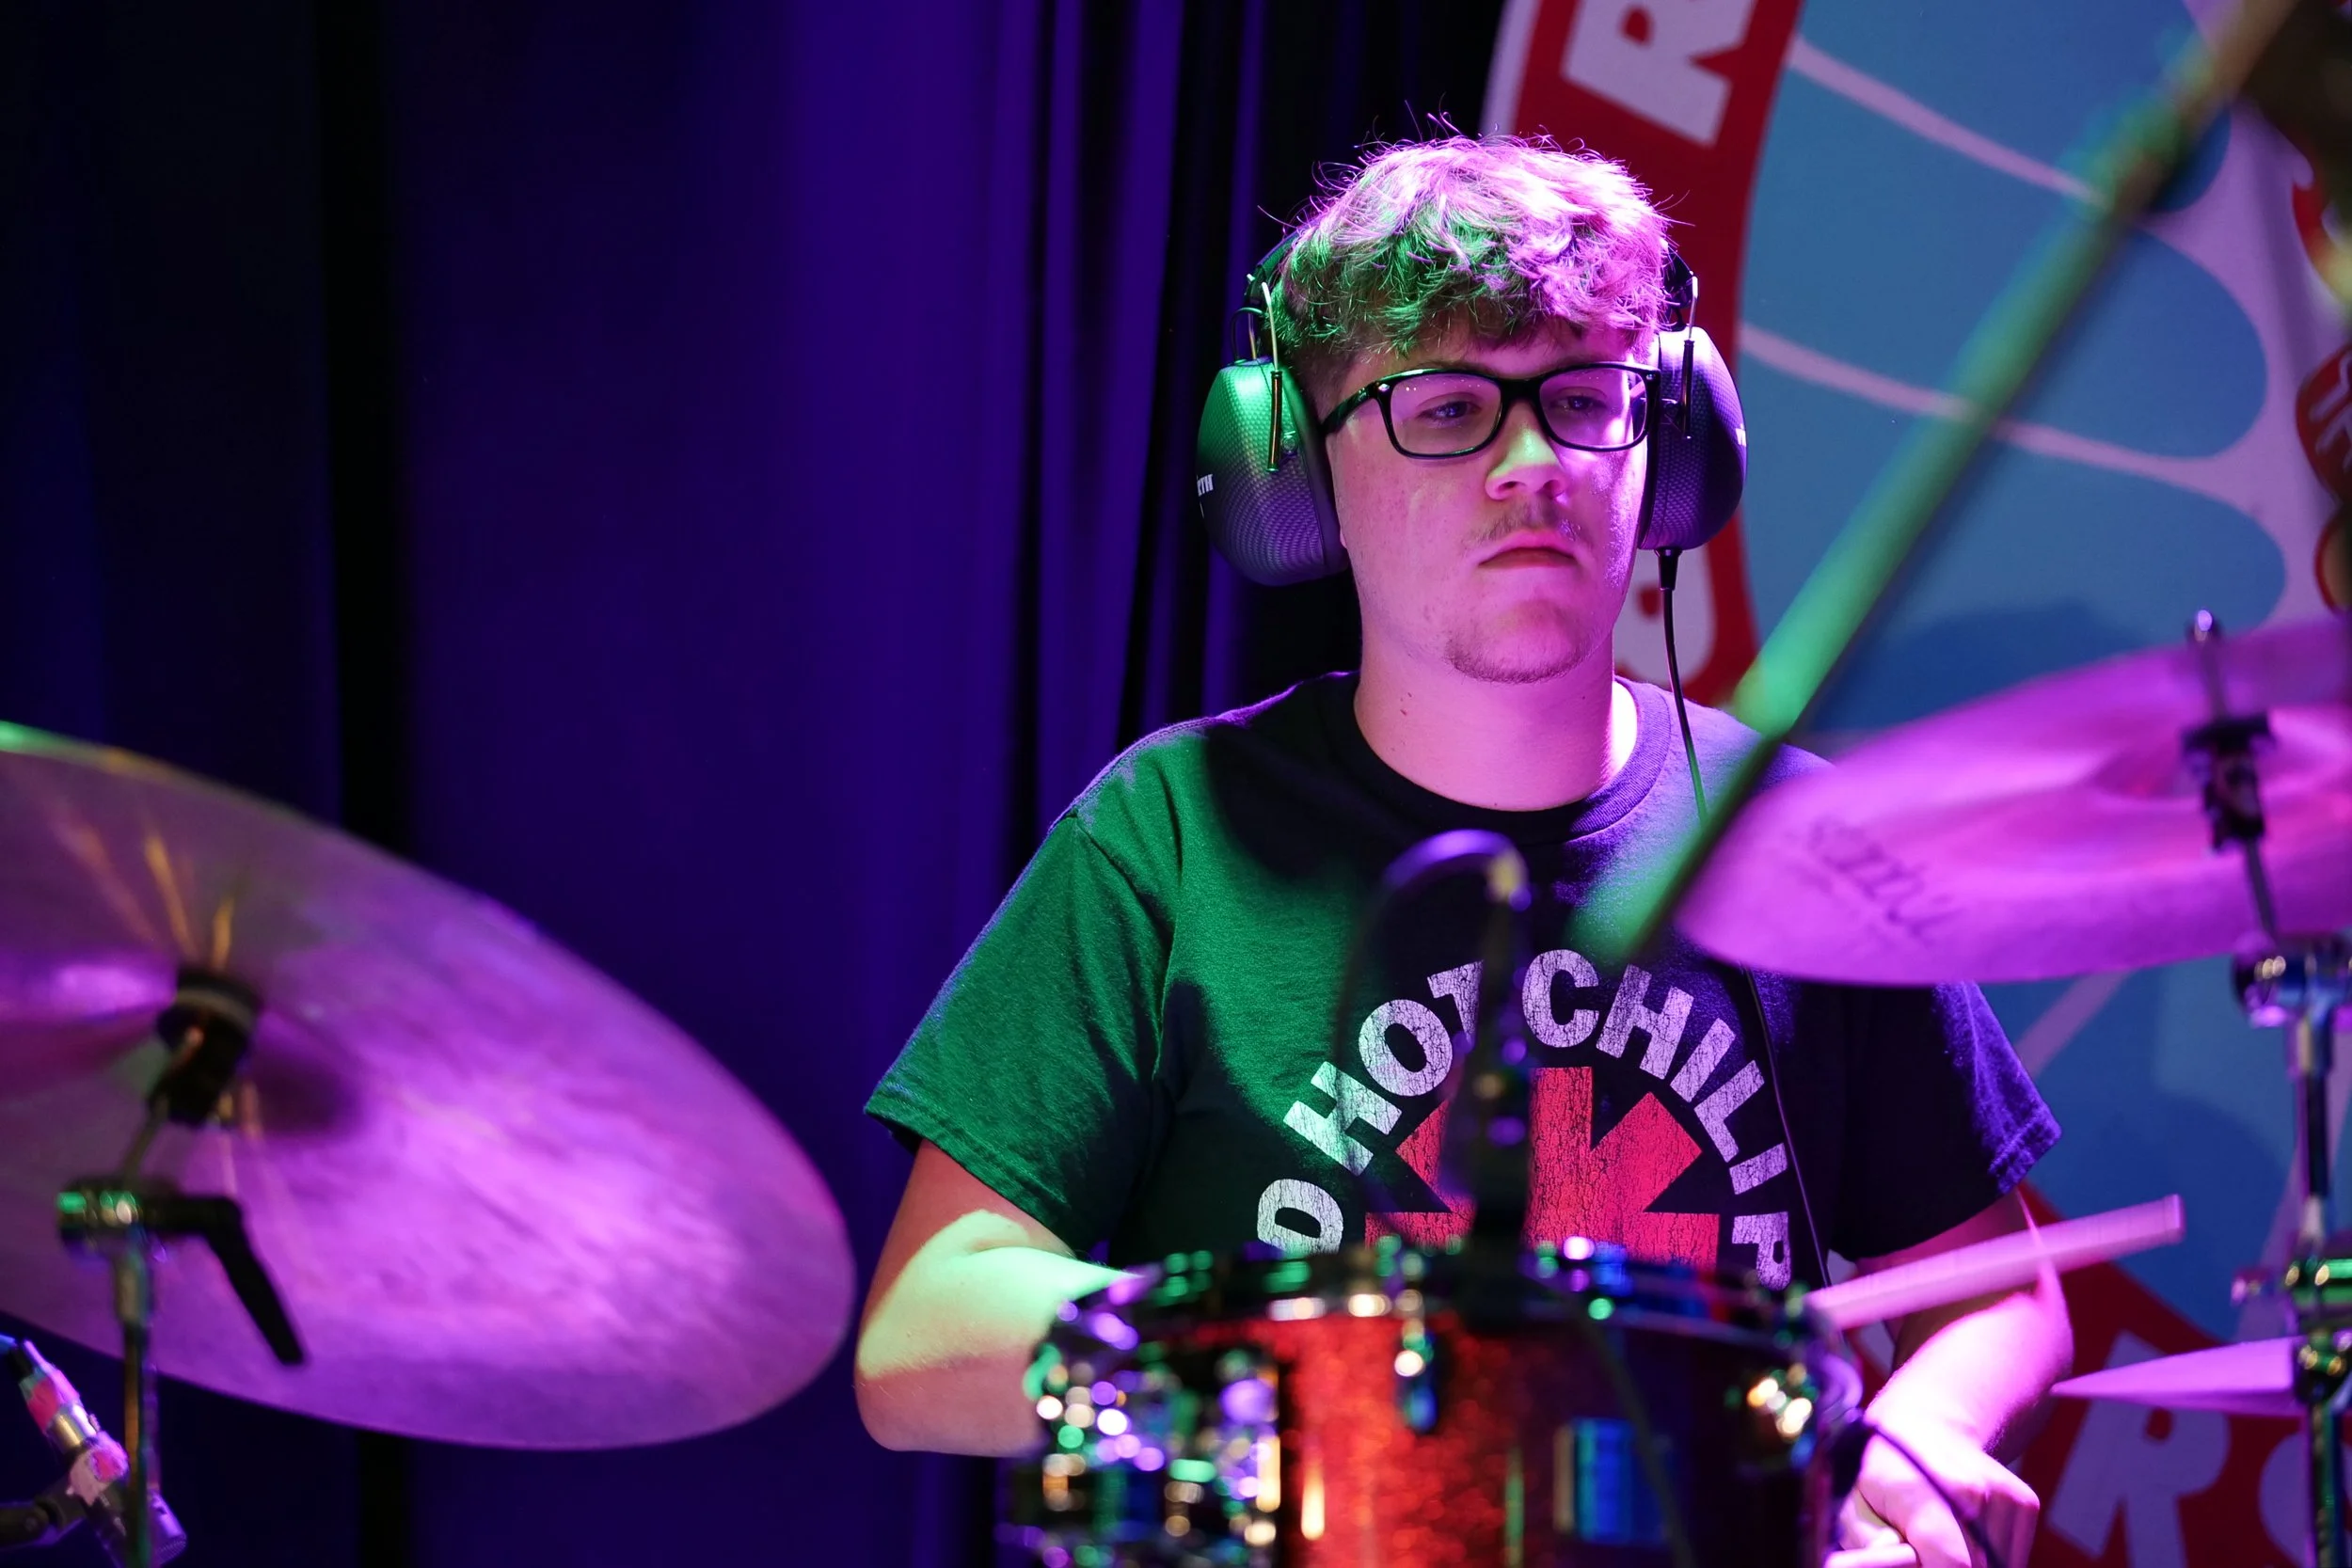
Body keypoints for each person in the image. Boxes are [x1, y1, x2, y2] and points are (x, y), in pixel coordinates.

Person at [854, 136, 2070, 1568]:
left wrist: (1909, 1451)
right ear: (1294, 478)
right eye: (1444, 409)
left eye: (1582, 398)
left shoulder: (1796, 845)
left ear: (1669, 450)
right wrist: (1308, 1366)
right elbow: (923, 1333)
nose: (1532, 466)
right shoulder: (1168, 836)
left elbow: (2001, 1291)